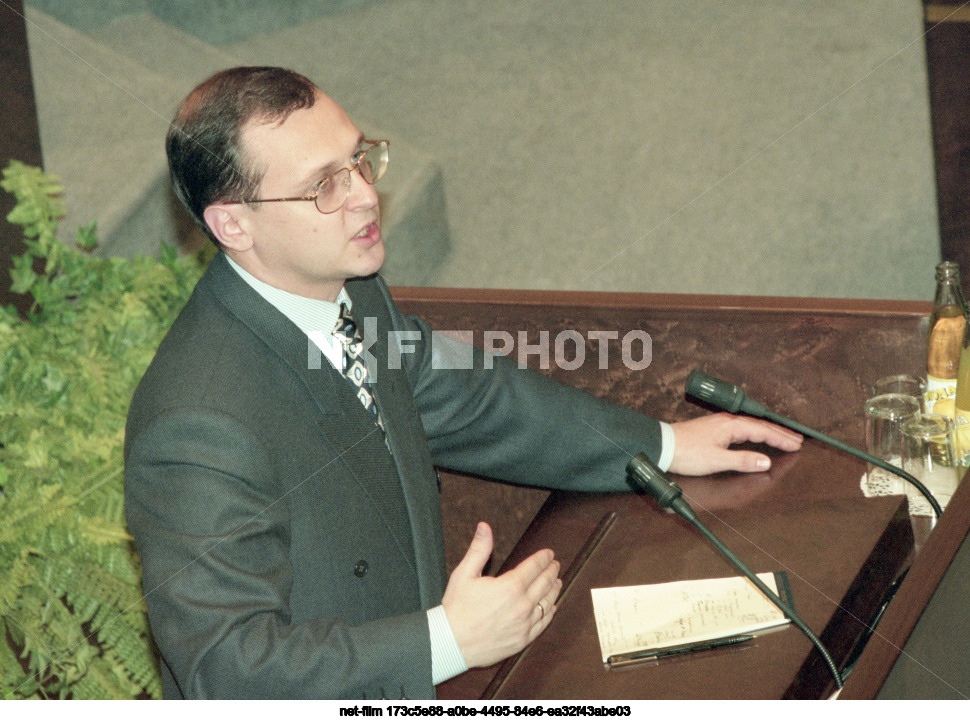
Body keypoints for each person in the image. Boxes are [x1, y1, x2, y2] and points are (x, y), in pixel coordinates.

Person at [124, 66, 803, 700]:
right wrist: (447, 639)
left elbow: (475, 402)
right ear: (233, 223)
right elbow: (229, 667)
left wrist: (659, 445)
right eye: (325, 184)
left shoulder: (350, 292)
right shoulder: (198, 424)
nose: (365, 194)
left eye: (360, 159)